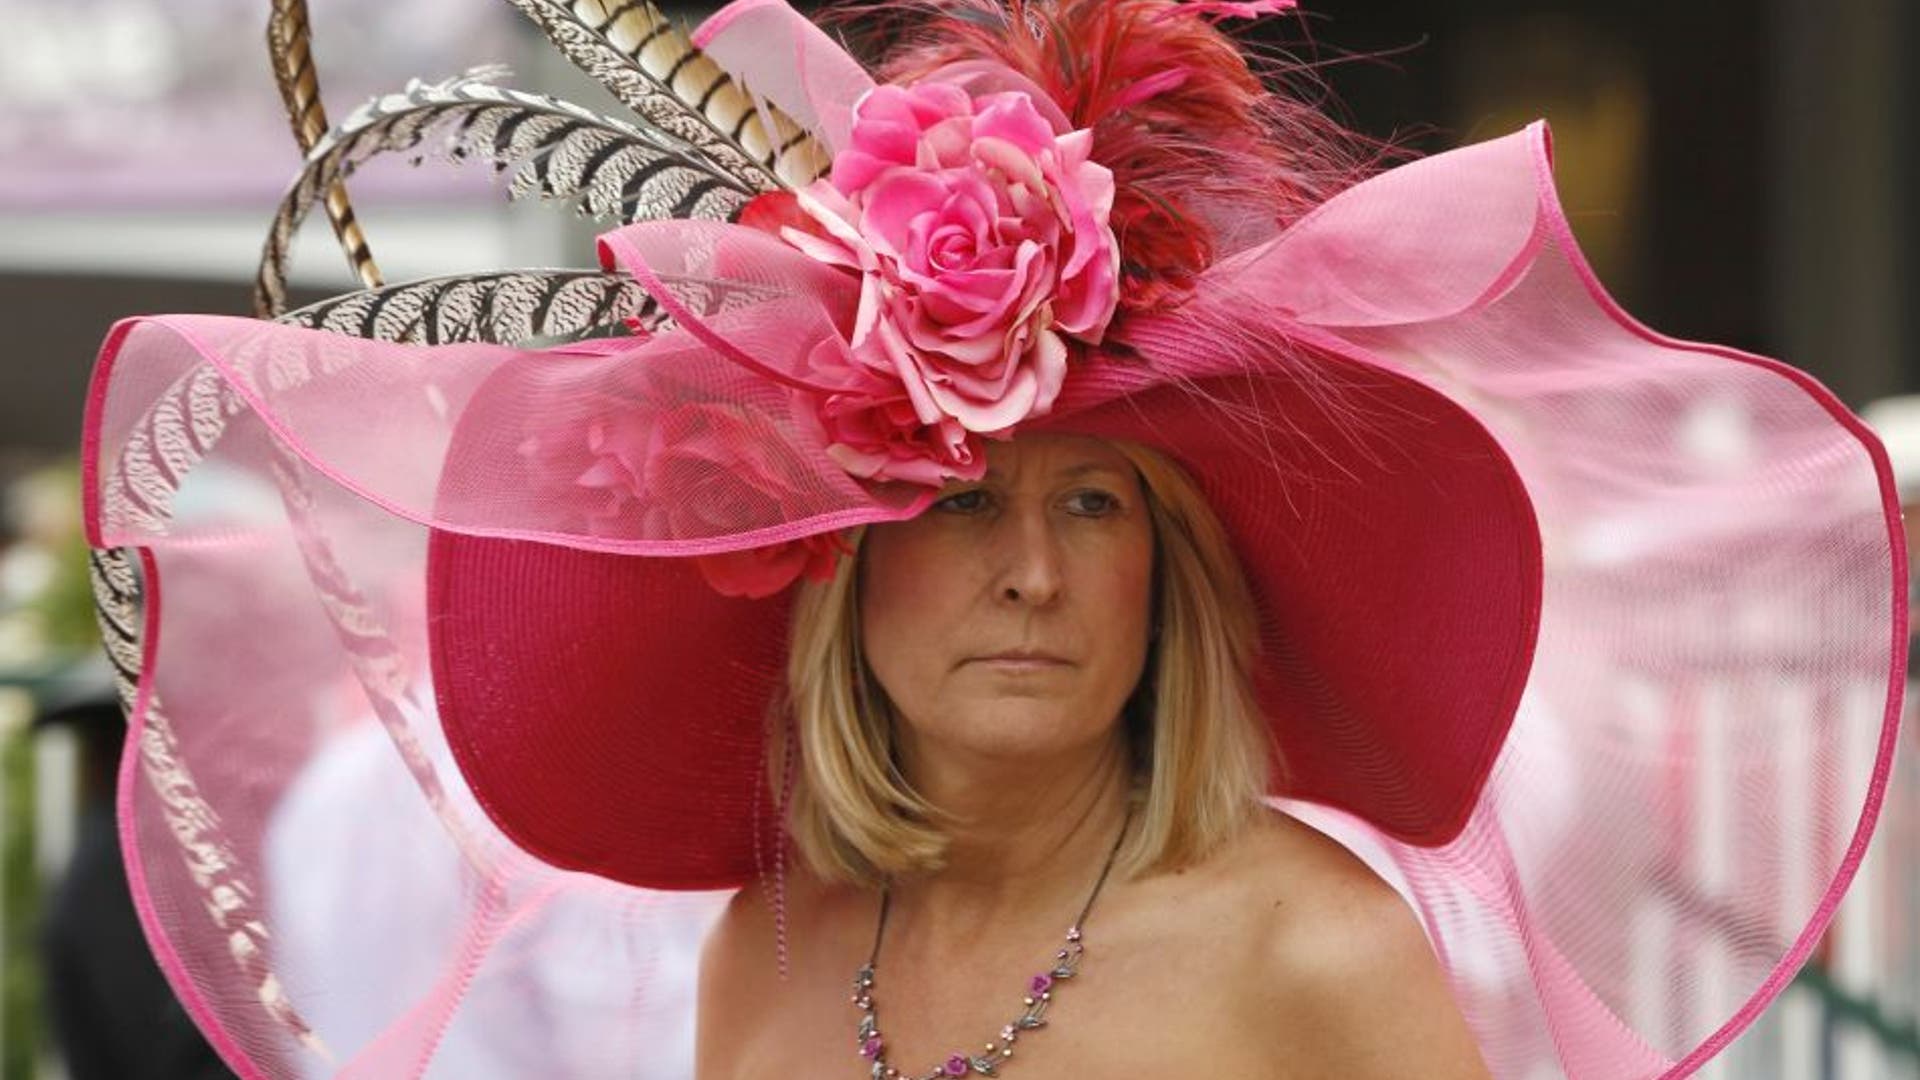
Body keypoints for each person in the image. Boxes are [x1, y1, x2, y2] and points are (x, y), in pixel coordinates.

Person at [77, 0, 1904, 1077]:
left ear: (1166, 577)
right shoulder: (770, 951)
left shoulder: (1309, 949)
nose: (1032, 570)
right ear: (836, 567)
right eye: (957, 501)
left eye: (1092, 503)